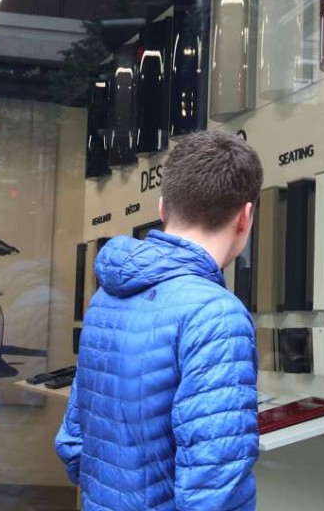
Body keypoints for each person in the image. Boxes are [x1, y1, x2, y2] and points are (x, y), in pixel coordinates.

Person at [55, 130, 262, 510]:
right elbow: (215, 486)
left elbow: (73, 441)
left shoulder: (106, 297)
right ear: (245, 217)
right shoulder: (216, 313)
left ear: (162, 207)